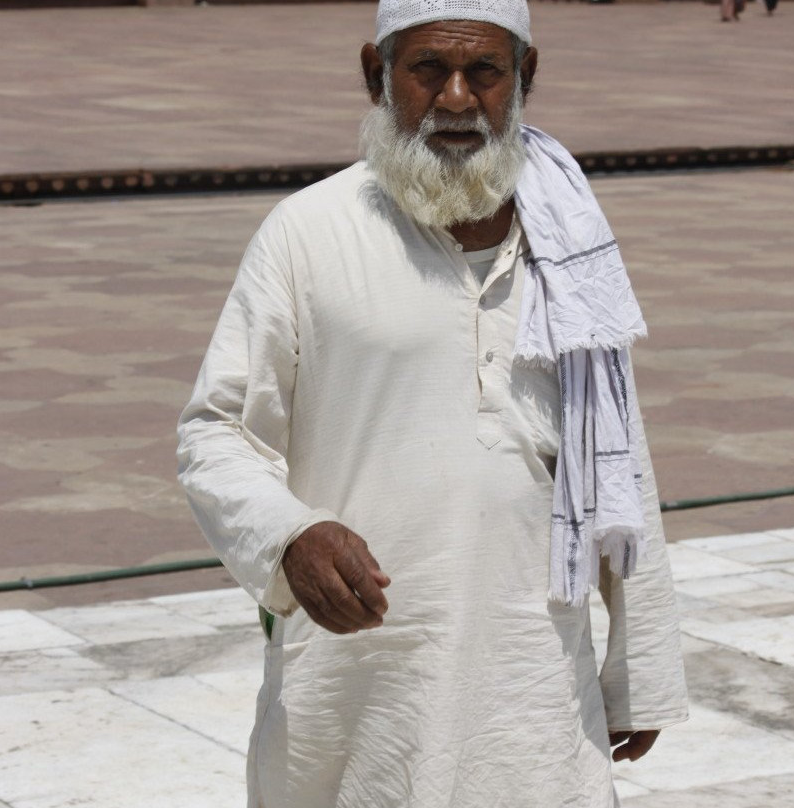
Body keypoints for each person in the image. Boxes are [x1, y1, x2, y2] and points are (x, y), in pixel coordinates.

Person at [177, 1, 688, 805]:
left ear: (524, 76)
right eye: (427, 70)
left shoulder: (569, 241)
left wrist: (641, 662)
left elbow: (616, 449)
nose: (455, 99)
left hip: (532, 681)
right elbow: (216, 431)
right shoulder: (308, 233)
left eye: (483, 71)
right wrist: (289, 535)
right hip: (357, 683)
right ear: (375, 75)